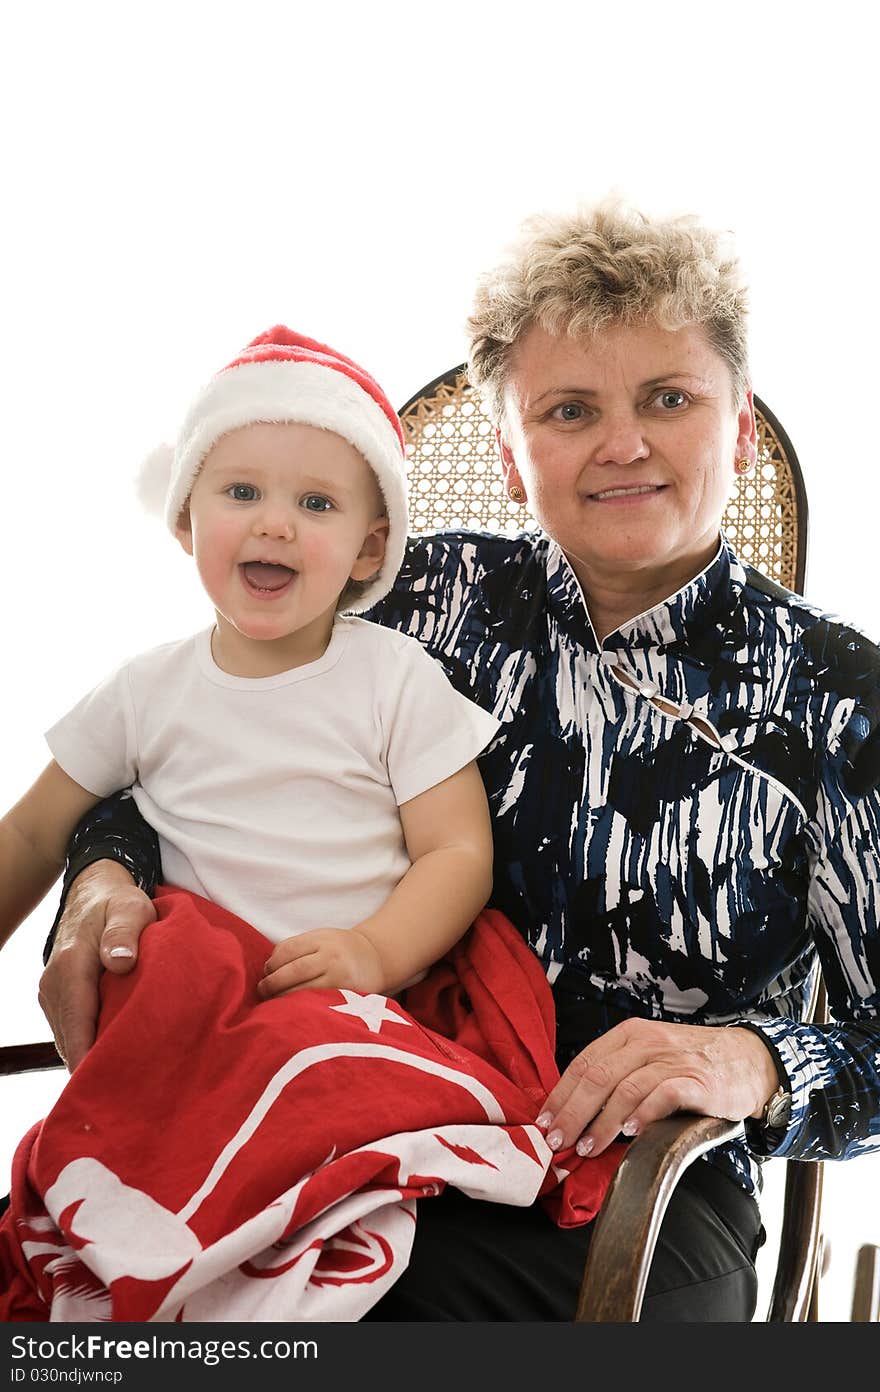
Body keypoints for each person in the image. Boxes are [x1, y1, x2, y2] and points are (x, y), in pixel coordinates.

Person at [35, 202, 880, 1322]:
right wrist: (105, 871)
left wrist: (756, 1061)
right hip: (353, 1096)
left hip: (640, 1181)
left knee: (305, 1301)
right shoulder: (413, 601)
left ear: (734, 428)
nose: (622, 444)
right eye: (569, 410)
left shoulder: (836, 701)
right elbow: (182, 745)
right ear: (511, 460)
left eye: (667, 400)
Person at [0, 326, 499, 1005]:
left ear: (369, 550)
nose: (275, 525)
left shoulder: (396, 677)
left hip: (354, 1010)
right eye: (241, 493)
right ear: (185, 521)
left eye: (316, 503)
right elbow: (30, 834)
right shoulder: (144, 691)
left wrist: (376, 950)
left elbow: (458, 853)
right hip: (198, 1000)